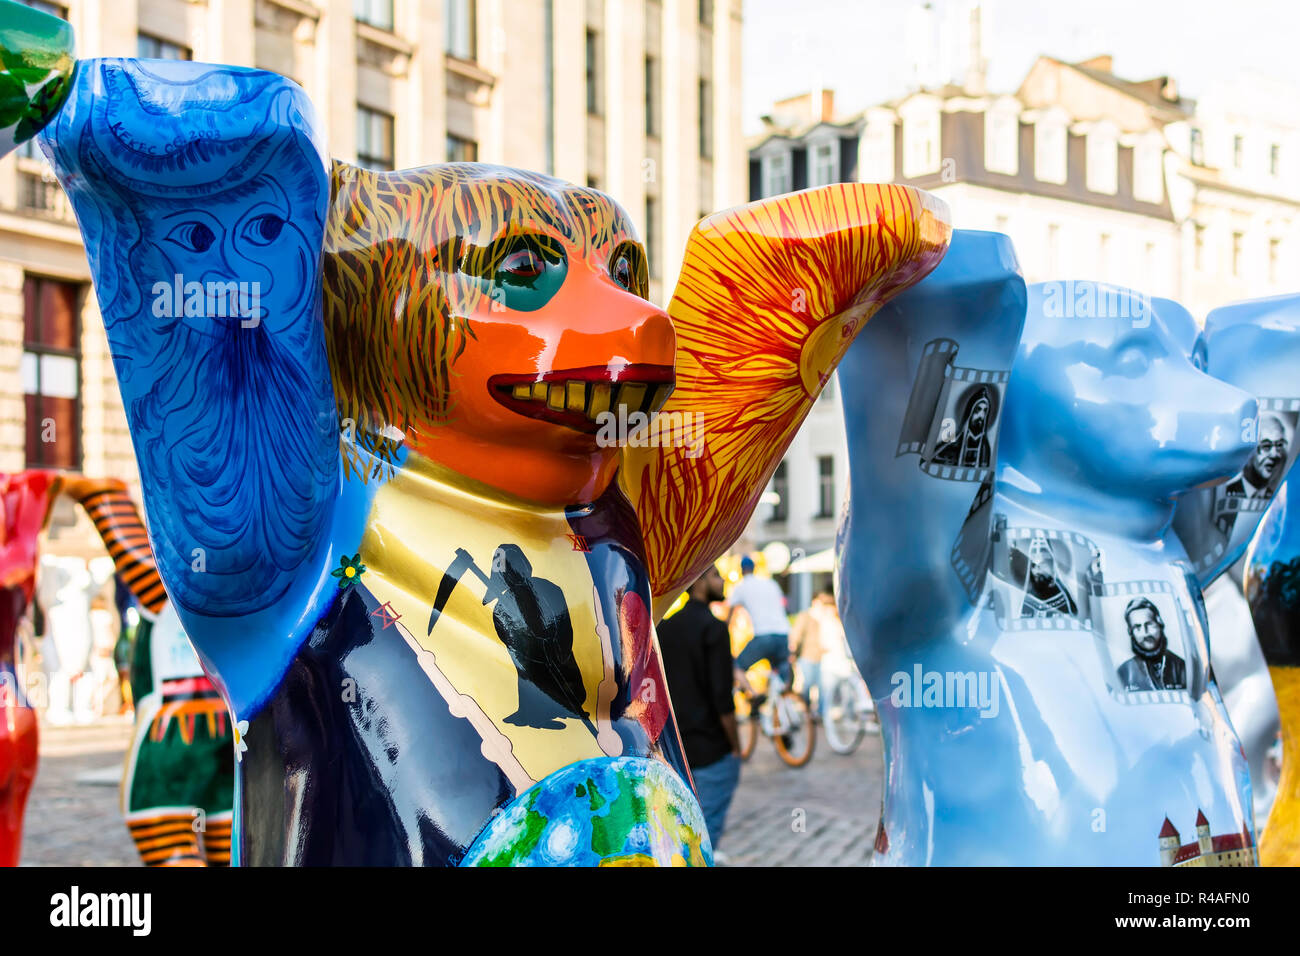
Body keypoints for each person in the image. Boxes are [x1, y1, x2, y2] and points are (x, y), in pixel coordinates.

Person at [656, 565, 741, 857]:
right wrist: (736, 745)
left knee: (678, 827)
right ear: (701, 581)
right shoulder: (714, 629)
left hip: (675, 749)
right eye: (717, 575)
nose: (722, 581)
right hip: (710, 747)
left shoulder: (664, 628)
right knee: (705, 832)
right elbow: (722, 697)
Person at [728, 556, 793, 695]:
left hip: (763, 635)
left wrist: (723, 630)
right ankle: (784, 702)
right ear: (754, 568)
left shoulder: (740, 587)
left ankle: (753, 696)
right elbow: (784, 606)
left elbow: (729, 614)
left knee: (736, 667)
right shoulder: (771, 583)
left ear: (741, 570)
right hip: (782, 634)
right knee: (781, 677)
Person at [1117, 596, 1186, 692]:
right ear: (1131, 632)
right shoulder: (1124, 673)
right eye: (1137, 627)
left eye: (1149, 624)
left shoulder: (1181, 667)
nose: (1145, 633)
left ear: (1159, 624)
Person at [790, 587, 837, 718]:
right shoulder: (805, 616)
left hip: (821, 657)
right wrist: (793, 651)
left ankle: (819, 714)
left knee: (822, 688)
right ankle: (806, 710)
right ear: (815, 602)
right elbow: (796, 635)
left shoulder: (824, 618)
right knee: (807, 685)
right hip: (807, 656)